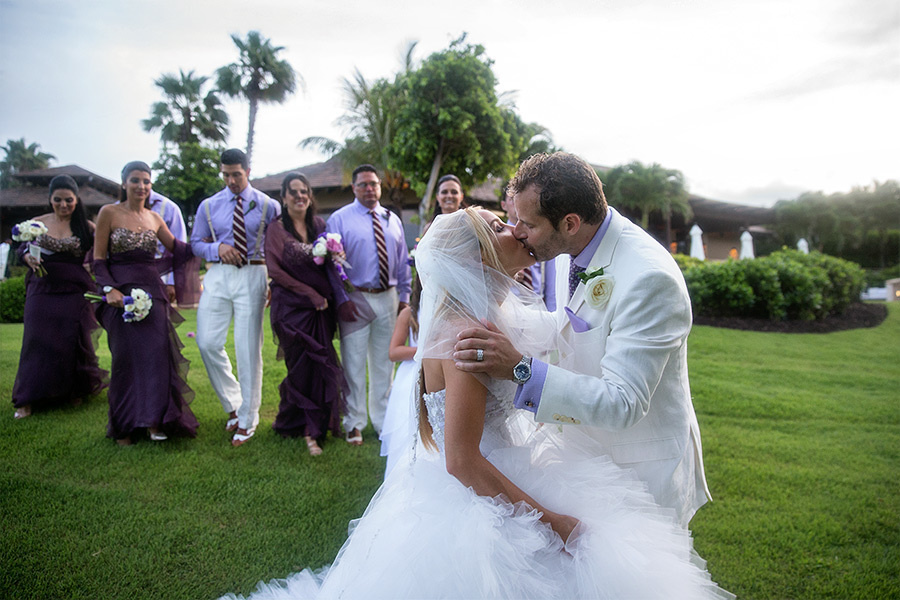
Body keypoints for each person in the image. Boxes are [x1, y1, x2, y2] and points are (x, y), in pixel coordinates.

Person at [220, 208, 730, 599]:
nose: (518, 230)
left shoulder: (491, 314)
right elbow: (461, 459)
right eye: (502, 226)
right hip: (480, 501)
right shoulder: (468, 332)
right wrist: (556, 524)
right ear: (479, 255)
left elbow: (557, 338)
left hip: (513, 467)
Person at [455, 152, 711, 528]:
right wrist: (500, 321)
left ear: (570, 223)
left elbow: (624, 401)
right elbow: (569, 324)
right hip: (585, 457)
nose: (516, 231)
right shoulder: (567, 248)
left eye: (527, 223)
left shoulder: (648, 279)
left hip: (641, 467)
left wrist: (521, 370)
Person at [93, 162, 198, 445]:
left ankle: (154, 421)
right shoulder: (109, 213)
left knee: (157, 359)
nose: (141, 186)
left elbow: (179, 249)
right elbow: (98, 259)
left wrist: (210, 244)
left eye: (146, 181)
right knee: (125, 359)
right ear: (124, 183)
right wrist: (109, 289)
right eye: (136, 180)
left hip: (154, 294)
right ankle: (124, 426)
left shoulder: (155, 218)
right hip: (121, 298)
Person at [191, 148, 281, 447]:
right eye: (226, 174)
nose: (231, 180)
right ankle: (232, 401)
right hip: (218, 274)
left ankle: (247, 417)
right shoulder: (208, 205)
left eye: (236, 174)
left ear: (248, 171)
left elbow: (277, 246)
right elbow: (195, 243)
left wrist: (272, 280)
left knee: (247, 348)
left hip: (254, 273)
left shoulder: (269, 205)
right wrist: (215, 249)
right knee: (207, 342)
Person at [326, 164, 411, 446]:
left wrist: (404, 298)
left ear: (379, 186)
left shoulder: (391, 219)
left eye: (373, 184)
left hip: (388, 296)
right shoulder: (339, 219)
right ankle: (353, 422)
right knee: (353, 362)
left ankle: (382, 420)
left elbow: (401, 262)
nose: (369, 189)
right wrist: (342, 299)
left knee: (384, 362)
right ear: (353, 188)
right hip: (356, 297)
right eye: (363, 184)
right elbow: (331, 266)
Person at [11, 175, 108, 419]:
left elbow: (102, 255)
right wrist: (26, 256)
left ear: (76, 200)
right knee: (35, 339)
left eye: (68, 200)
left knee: (71, 340)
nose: (63, 205)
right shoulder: (36, 223)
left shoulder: (87, 228)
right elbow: (20, 247)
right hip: (41, 287)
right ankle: (27, 399)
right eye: (58, 200)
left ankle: (72, 391)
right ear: (50, 199)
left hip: (74, 290)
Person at [265, 173, 347, 456]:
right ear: (284, 197)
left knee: (322, 368)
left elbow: (328, 265)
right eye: (294, 192)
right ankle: (309, 432)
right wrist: (309, 294)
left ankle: (307, 424)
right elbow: (275, 271)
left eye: (304, 192)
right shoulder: (276, 229)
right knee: (299, 368)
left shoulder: (319, 226)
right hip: (291, 310)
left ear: (310, 197)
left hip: (321, 310)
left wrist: (337, 258)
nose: (300, 196)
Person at [379, 274, 421, 474]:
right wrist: (424, 352)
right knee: (408, 429)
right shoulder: (409, 313)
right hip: (412, 375)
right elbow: (394, 352)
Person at [501, 187, 557, 311]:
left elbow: (551, 283)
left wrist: (552, 313)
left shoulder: (543, 236)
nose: (517, 204)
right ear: (503, 205)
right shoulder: (498, 240)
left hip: (538, 308)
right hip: (509, 310)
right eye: (512, 199)